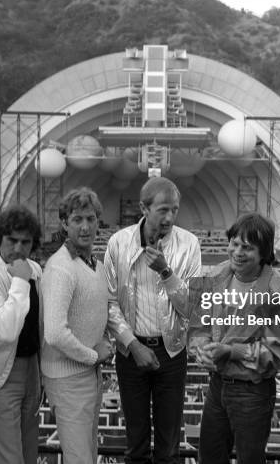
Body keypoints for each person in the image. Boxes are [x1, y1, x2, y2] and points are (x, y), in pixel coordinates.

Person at [189, 213, 280, 463]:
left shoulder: (279, 291)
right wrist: (201, 349)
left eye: (248, 248)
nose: (238, 252)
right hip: (217, 386)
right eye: (235, 244)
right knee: (209, 456)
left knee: (249, 458)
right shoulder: (220, 275)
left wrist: (232, 351)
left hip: (252, 391)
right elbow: (199, 322)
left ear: (264, 253)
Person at [104, 176, 201, 464]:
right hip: (130, 353)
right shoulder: (118, 243)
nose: (170, 217)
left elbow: (192, 307)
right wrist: (132, 345)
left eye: (174, 209)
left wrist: (167, 272)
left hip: (172, 353)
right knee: (135, 444)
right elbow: (109, 301)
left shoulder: (189, 244)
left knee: (169, 446)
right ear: (144, 208)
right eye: (163, 210)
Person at [41, 187, 113, 464]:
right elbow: (55, 333)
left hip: (87, 375)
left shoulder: (94, 264)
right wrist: (93, 355)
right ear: (64, 224)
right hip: (69, 378)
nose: (85, 227)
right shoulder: (61, 268)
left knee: (87, 455)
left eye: (91, 219)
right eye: (77, 220)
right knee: (79, 458)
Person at [0, 205, 42, 464]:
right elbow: (6, 329)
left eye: (26, 242)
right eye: (12, 240)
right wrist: (21, 281)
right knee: (7, 458)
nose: (18, 248)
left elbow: (38, 325)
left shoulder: (35, 270)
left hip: (31, 370)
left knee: (28, 454)